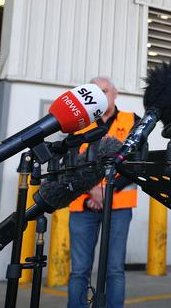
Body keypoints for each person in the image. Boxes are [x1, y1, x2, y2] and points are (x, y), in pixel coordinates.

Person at [68, 77, 139, 308]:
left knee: (114, 270)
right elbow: (68, 161)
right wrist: (92, 190)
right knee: (79, 271)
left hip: (118, 205)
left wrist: (108, 190)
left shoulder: (132, 121)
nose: (101, 95)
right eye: (95, 91)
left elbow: (136, 163)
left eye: (105, 90)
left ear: (115, 93)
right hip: (83, 204)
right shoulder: (77, 123)